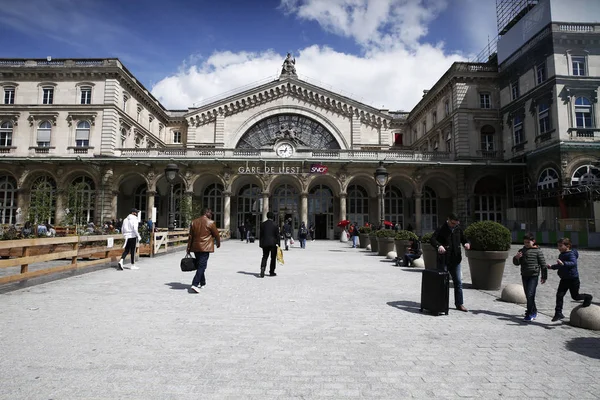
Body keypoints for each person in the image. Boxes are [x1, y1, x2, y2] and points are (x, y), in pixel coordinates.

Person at [430, 212, 470, 312]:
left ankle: (459, 304)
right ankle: (442, 304)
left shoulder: (458, 229)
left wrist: (466, 243)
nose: (454, 225)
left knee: (458, 283)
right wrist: (439, 246)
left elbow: (464, 239)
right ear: (448, 220)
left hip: (455, 259)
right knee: (443, 283)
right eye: (452, 223)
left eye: (456, 223)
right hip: (443, 259)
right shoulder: (441, 228)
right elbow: (432, 239)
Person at [547, 237, 593, 322]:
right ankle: (558, 313)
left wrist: (563, 263)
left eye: (561, 246)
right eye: (558, 246)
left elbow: (573, 263)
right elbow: (560, 265)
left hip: (573, 279)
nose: (559, 248)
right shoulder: (561, 254)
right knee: (559, 295)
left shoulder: (571, 254)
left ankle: (588, 297)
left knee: (575, 296)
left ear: (567, 246)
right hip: (564, 279)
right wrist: (552, 267)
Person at [512, 233, 547, 321]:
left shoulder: (538, 251)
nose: (526, 244)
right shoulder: (522, 250)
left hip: (533, 275)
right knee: (528, 295)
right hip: (524, 274)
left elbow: (543, 264)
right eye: (525, 242)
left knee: (530, 294)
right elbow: (516, 263)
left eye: (528, 242)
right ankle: (533, 310)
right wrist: (516, 258)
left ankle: (530, 313)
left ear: (533, 241)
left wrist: (544, 276)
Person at [187, 207, 221, 293]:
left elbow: (190, 237)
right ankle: (195, 284)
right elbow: (216, 234)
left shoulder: (194, 222)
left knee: (199, 265)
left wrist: (188, 248)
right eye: (211, 213)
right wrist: (218, 243)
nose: (211, 214)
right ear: (207, 213)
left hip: (195, 247)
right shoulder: (210, 223)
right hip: (205, 248)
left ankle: (203, 283)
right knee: (202, 266)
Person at [259, 211, 280, 277]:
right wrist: (279, 244)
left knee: (265, 256)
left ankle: (263, 268)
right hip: (273, 243)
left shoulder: (262, 224)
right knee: (273, 258)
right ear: (273, 217)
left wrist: (260, 243)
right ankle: (271, 272)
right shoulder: (275, 224)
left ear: (267, 216)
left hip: (265, 243)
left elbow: (261, 235)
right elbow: (277, 235)